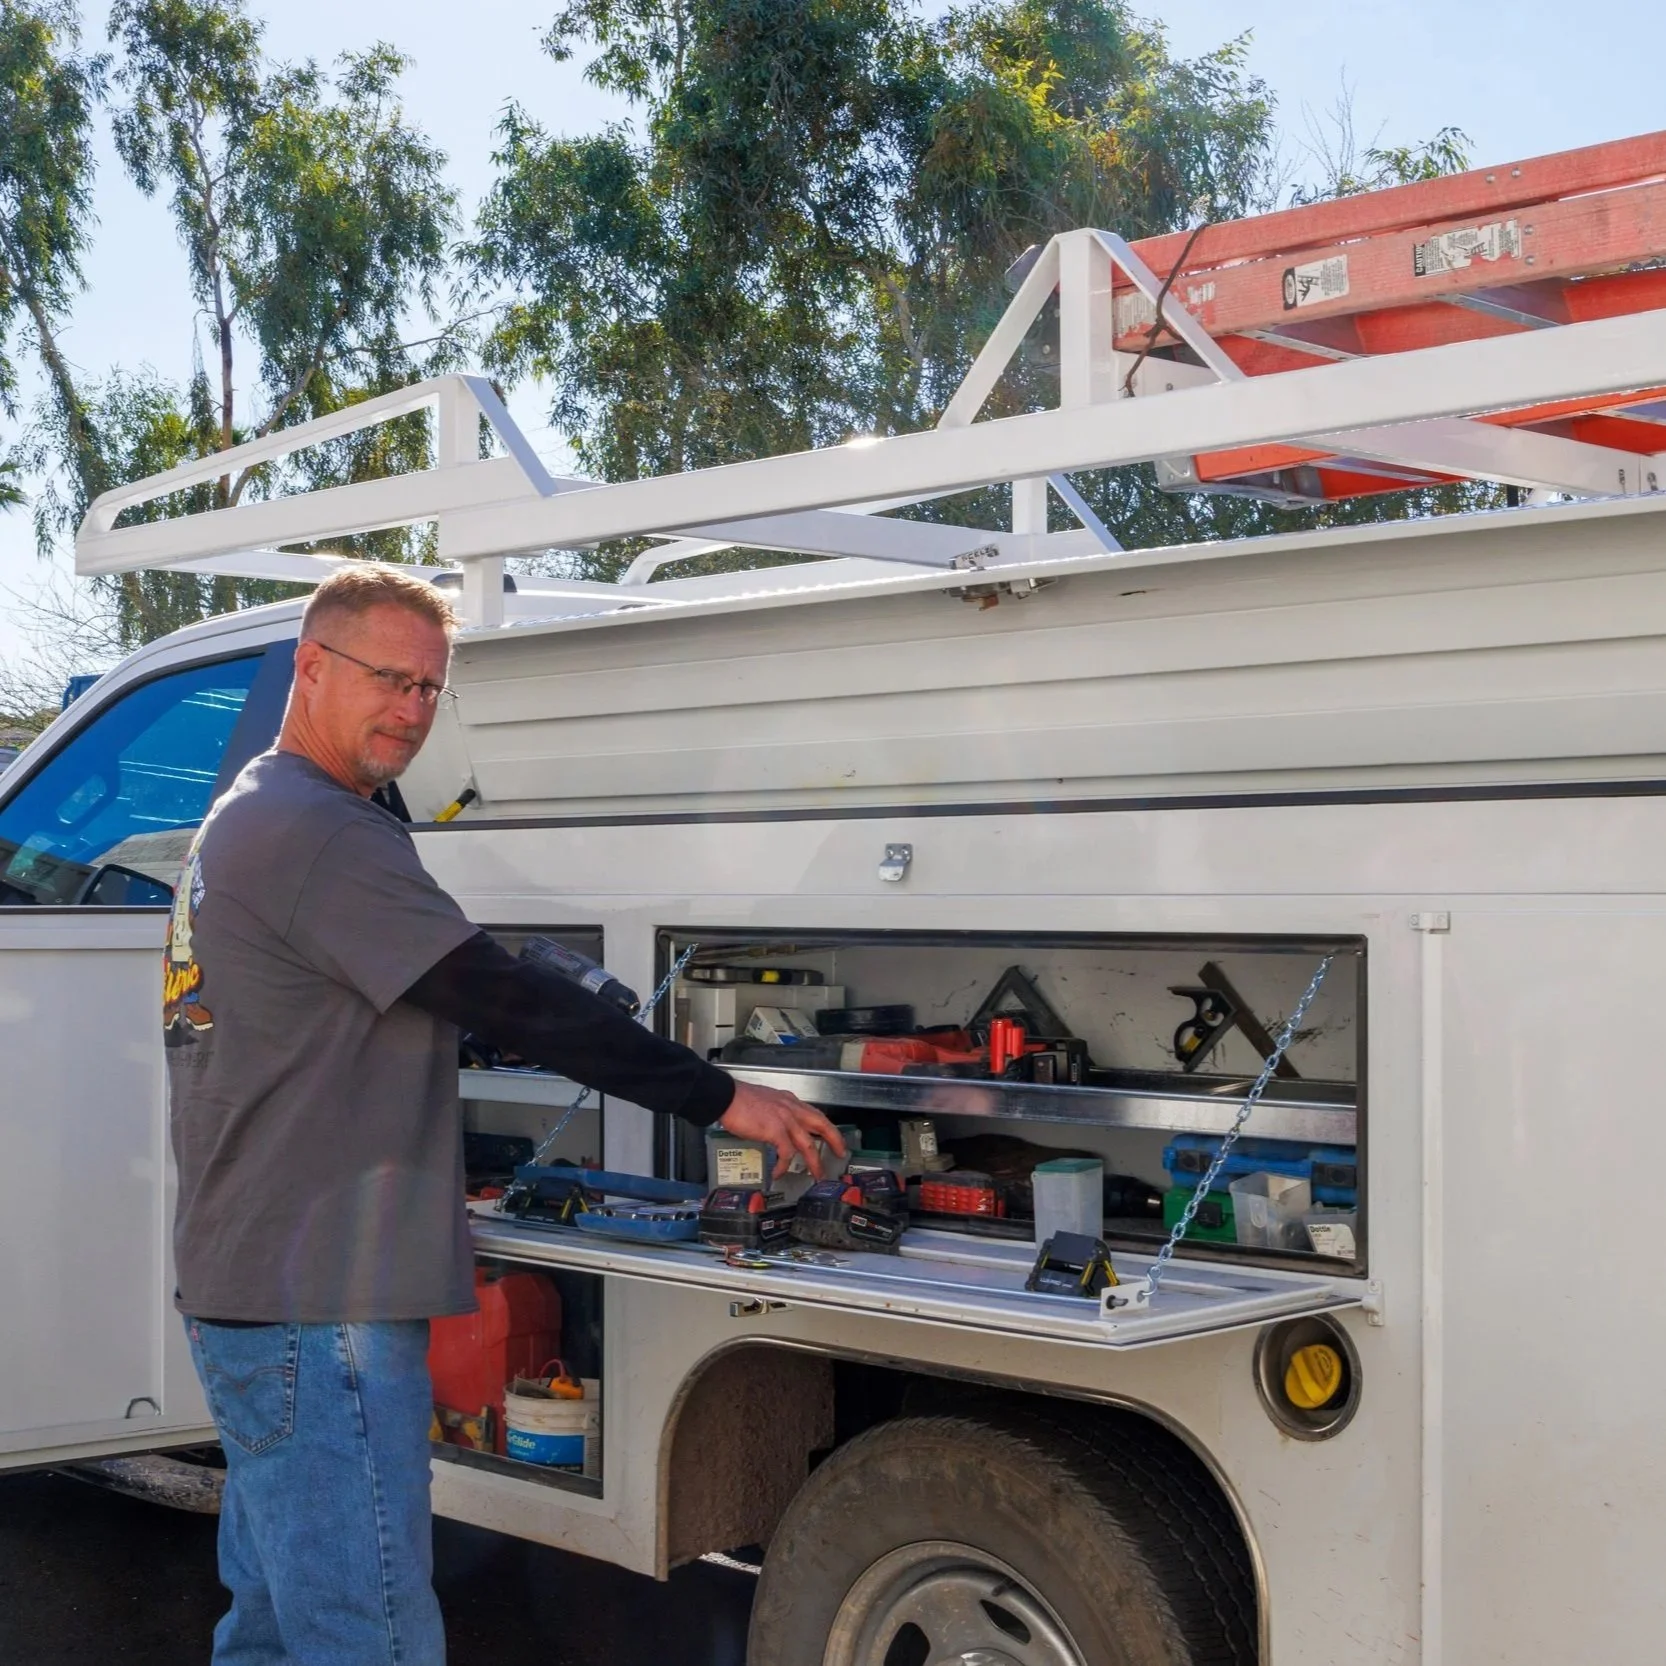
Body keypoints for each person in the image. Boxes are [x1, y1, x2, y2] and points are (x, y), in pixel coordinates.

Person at [167, 565, 844, 1665]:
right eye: (389, 678)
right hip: (320, 1312)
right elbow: (503, 998)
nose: (411, 710)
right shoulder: (318, 828)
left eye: (431, 688)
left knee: (276, 1626)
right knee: (366, 1638)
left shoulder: (251, 811)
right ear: (310, 664)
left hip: (255, 1291)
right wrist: (725, 1095)